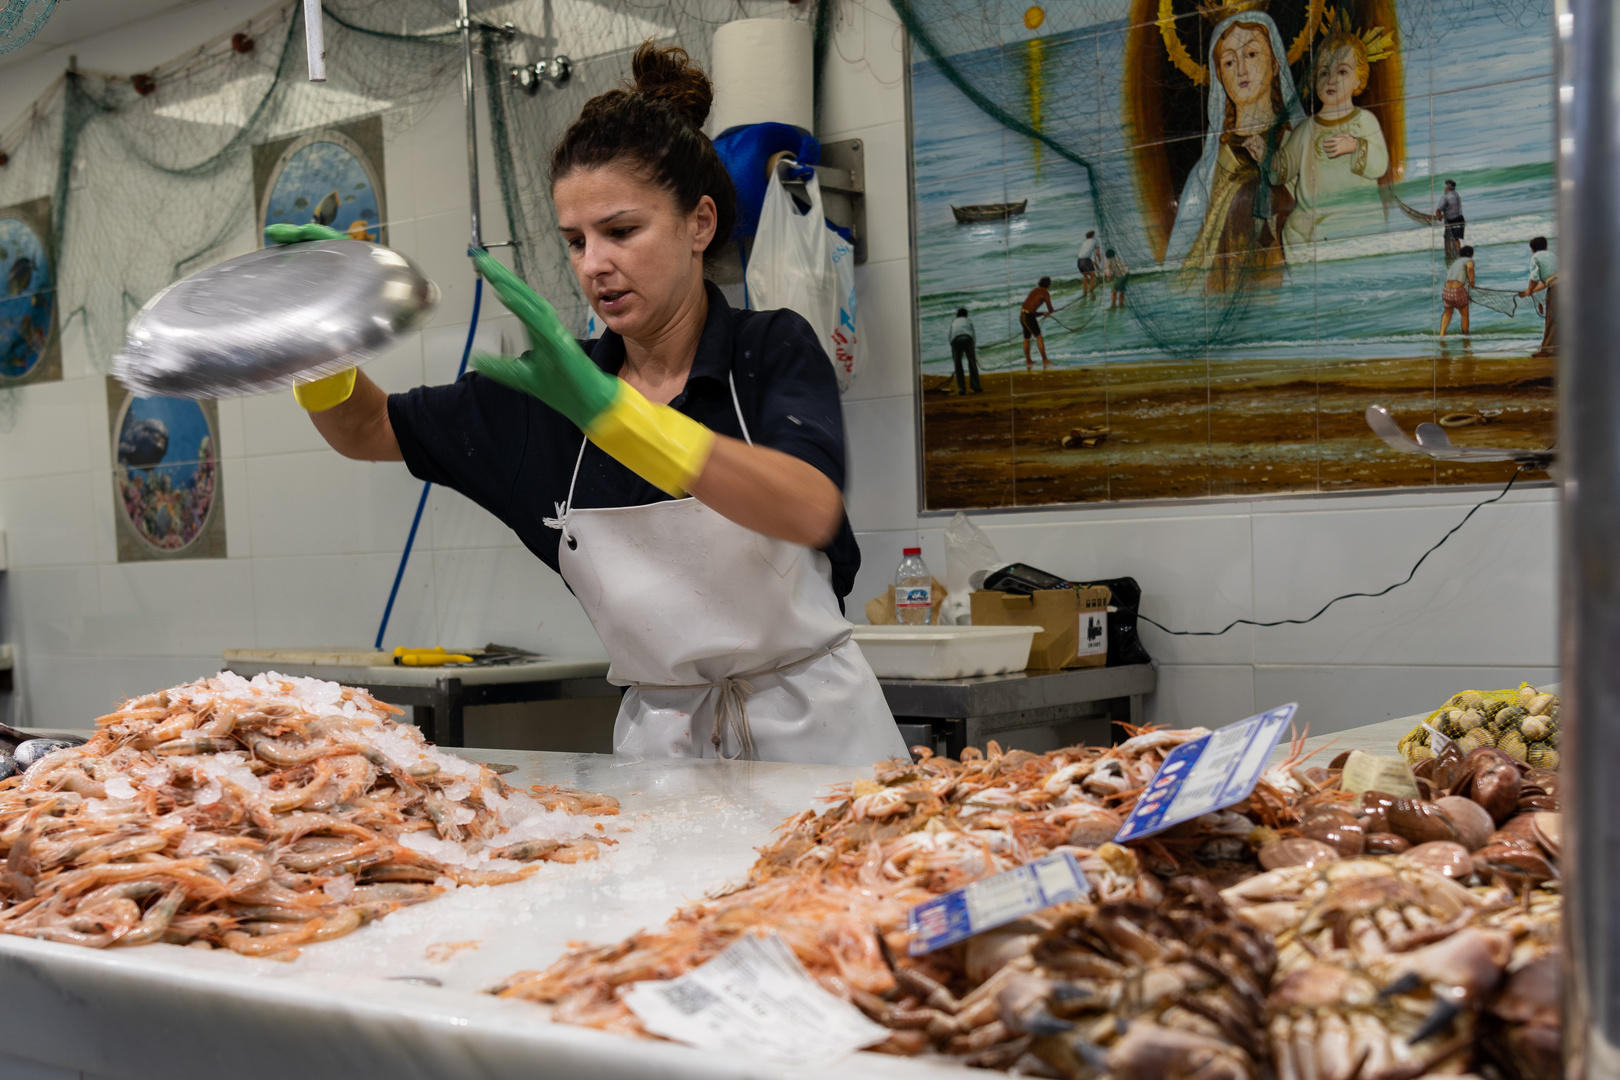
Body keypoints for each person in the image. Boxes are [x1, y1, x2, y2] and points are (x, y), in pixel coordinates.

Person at [287, 43, 906, 767]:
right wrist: (315, 330)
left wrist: (613, 415)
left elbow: (805, 506)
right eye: (575, 241)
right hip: (664, 761)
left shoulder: (767, 350)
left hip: (821, 747)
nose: (593, 265)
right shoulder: (550, 388)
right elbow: (363, 427)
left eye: (621, 231)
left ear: (699, 224)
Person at [1163, 12, 1305, 287]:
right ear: (1219, 77)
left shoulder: (1296, 144)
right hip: (1223, 292)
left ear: (1275, 64)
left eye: (1251, 54)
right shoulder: (1210, 168)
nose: (1241, 69)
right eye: (1229, 61)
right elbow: (1183, 258)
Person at [1269, 22, 1389, 257]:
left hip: (1356, 218)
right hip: (1315, 221)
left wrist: (1355, 146)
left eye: (1342, 71)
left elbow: (1380, 164)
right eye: (1324, 72)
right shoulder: (1306, 129)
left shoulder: (1364, 120)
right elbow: (1283, 169)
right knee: (1293, 232)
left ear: (1358, 79)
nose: (1331, 79)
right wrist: (1263, 156)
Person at [1518, 236, 1557, 358]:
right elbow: (1546, 283)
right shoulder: (1552, 256)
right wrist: (1529, 292)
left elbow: (1534, 278)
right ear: (1546, 246)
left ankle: (1547, 350)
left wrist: (1529, 290)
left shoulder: (1536, 257)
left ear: (1532, 249)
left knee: (1551, 319)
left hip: (1557, 287)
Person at [1020, 277, 1055, 370]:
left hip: (1022, 314)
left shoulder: (1035, 290)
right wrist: (1050, 311)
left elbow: (1030, 309)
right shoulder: (1044, 292)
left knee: (1026, 338)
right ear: (1048, 285)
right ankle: (1045, 361)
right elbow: (1050, 307)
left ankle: (1028, 360)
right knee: (1038, 337)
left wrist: (1043, 313)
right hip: (1029, 316)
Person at [1441, 244, 1475, 338]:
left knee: (1447, 312)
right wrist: (1472, 281)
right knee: (1464, 315)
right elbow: (1470, 267)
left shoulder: (1455, 263)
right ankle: (1465, 336)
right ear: (1471, 255)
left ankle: (1442, 334)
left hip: (1446, 291)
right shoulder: (1468, 260)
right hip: (1457, 290)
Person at [947, 306, 982, 394]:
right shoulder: (968, 321)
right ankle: (975, 386)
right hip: (968, 337)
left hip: (955, 339)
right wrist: (972, 346)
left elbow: (950, 336)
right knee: (972, 362)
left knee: (958, 364)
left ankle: (961, 389)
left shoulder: (954, 322)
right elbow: (973, 334)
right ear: (966, 315)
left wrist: (954, 348)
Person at [1436, 180, 1465, 264]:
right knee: (1456, 239)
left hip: (1451, 221)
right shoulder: (1457, 195)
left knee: (1447, 239)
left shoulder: (1445, 196)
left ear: (1447, 187)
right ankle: (1459, 254)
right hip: (1460, 219)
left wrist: (1439, 217)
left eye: (1446, 186)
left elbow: (1438, 210)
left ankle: (1448, 256)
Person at [1076, 230, 1102, 298]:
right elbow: (1097, 253)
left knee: (1085, 276)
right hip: (1086, 260)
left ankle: (1085, 291)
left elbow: (1085, 255)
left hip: (1079, 260)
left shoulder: (1085, 242)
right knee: (1093, 276)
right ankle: (1091, 291)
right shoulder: (1095, 241)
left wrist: (1094, 263)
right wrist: (1099, 258)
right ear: (1093, 236)